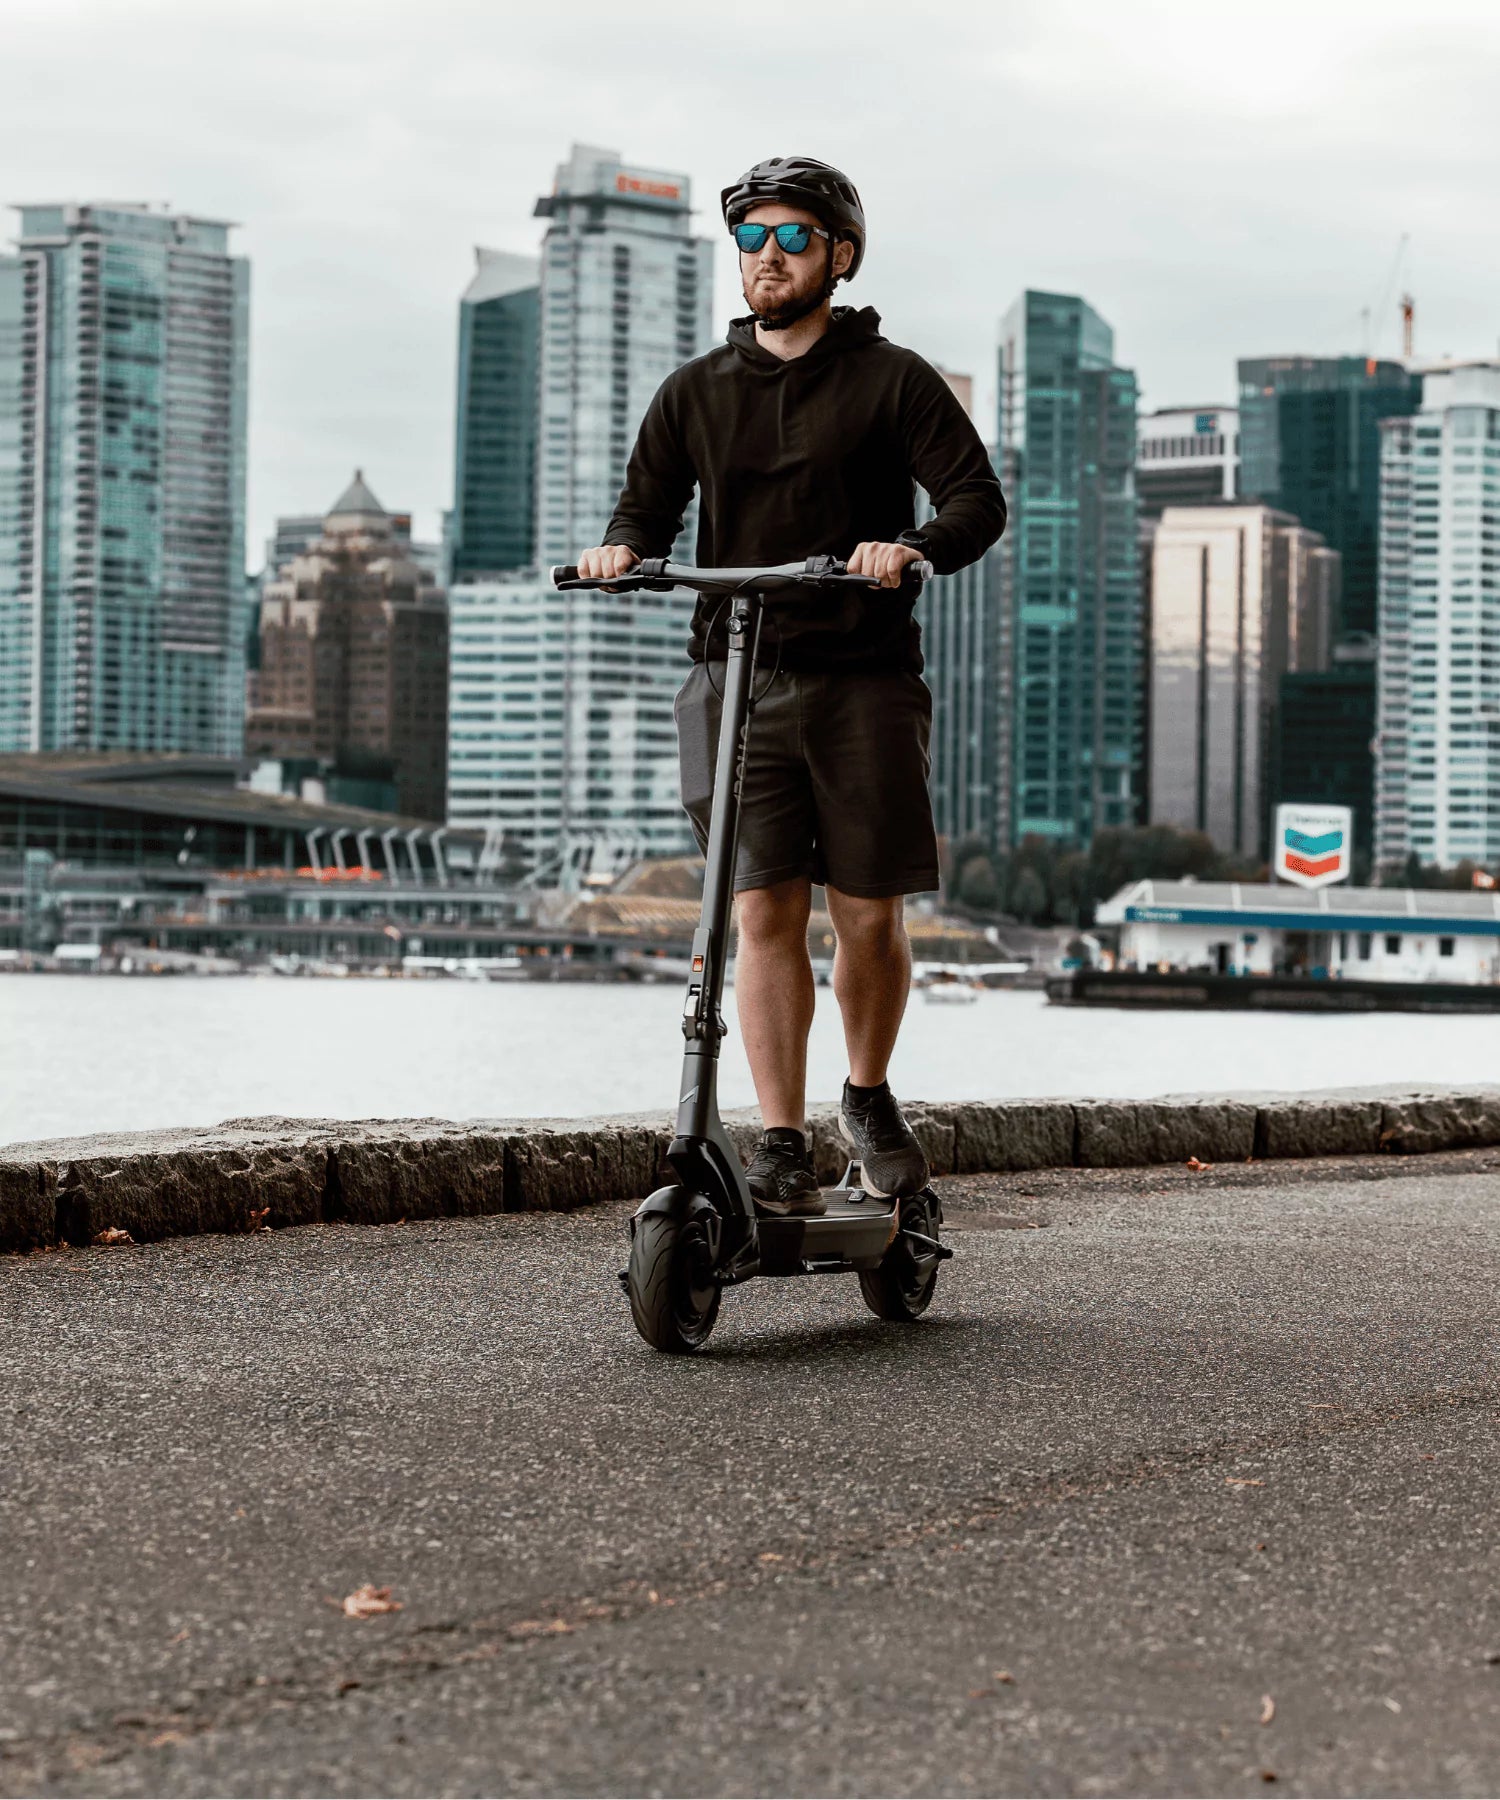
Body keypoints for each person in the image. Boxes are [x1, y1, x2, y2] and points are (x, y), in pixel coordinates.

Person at [575, 155, 1006, 1218]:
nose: (769, 257)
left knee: (866, 915)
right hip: (737, 680)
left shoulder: (894, 378)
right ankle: (776, 1138)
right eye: (752, 239)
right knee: (760, 909)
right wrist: (617, 553)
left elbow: (975, 501)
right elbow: (645, 514)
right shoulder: (695, 393)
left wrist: (908, 548)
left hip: (862, 680)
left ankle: (864, 1095)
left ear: (839, 255)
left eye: (793, 238)